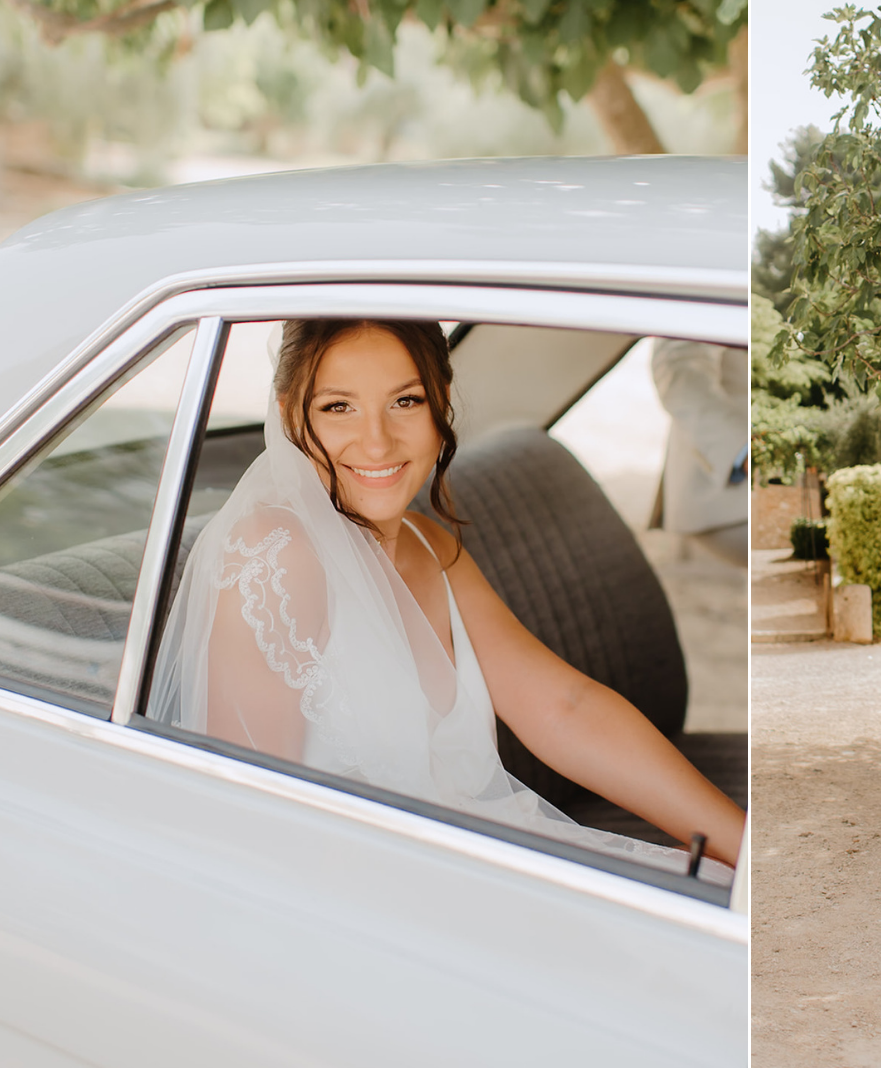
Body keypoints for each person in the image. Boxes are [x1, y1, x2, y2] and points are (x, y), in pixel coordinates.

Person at [150, 320, 744, 881]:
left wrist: (744, 848)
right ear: (289, 417)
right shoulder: (275, 556)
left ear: (441, 403)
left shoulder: (429, 543)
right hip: (362, 897)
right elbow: (254, 823)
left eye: (405, 401)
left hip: (475, 860)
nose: (377, 441)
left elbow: (565, 706)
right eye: (338, 407)